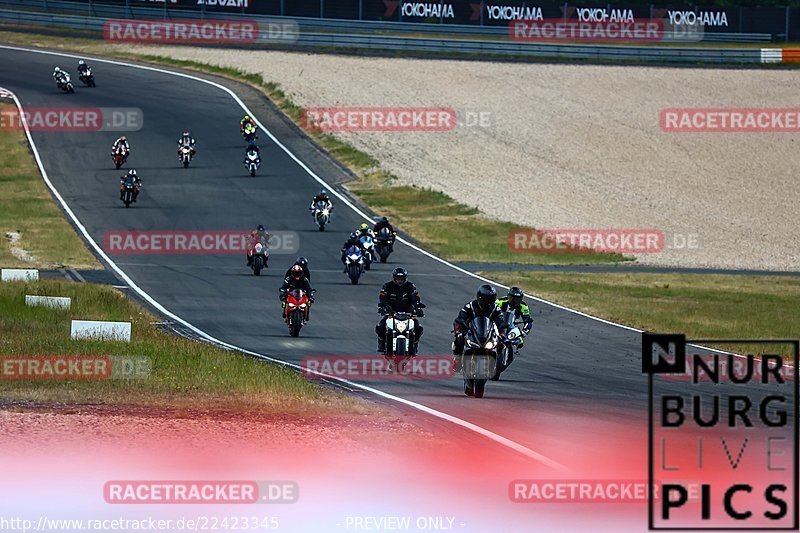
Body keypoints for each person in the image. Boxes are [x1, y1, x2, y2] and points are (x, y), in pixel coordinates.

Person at [376, 267, 424, 354]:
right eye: (398, 279)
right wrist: (383, 306)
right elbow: (382, 297)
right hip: (391, 313)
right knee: (380, 326)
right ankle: (382, 343)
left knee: (418, 327)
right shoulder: (387, 286)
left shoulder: (410, 286)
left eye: (401, 279)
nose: (399, 281)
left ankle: (415, 344)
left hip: (408, 314)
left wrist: (418, 308)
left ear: (405, 279)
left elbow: (415, 298)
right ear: (394, 278)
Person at [452, 284, 508, 357]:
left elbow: (501, 322)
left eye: (491, 300)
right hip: (470, 332)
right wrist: (458, 331)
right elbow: (460, 318)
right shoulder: (470, 306)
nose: (488, 303)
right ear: (480, 297)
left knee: (501, 346)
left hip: (488, 334)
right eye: (486, 300)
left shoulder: (496, 309)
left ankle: (496, 364)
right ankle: (457, 359)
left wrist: (502, 334)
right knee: (459, 340)